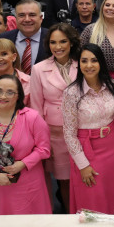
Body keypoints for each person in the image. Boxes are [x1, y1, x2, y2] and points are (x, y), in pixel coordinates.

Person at [60, 44, 114, 214]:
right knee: (92, 197)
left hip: (113, 146)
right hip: (87, 149)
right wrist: (82, 164)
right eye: (84, 61)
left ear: (101, 63)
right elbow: (68, 133)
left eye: (94, 60)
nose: (89, 65)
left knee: (113, 194)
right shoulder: (72, 92)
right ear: (79, 65)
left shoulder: (111, 84)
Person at [0, 74, 52, 216]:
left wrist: (23, 163)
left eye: (10, 92)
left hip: (29, 183)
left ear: (18, 96)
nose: (3, 96)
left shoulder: (32, 118)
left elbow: (44, 149)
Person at [30, 24, 79, 213]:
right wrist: (42, 141)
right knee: (65, 179)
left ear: (71, 42)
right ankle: (70, 216)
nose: (57, 46)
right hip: (56, 134)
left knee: (84, 175)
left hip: (82, 129)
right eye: (53, 42)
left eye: (63, 41)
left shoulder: (83, 63)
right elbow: (36, 107)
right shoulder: (39, 69)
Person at [0, 0, 49, 75]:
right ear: (15, 18)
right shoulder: (4, 38)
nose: (27, 19)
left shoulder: (52, 37)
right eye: (21, 15)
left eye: (32, 15)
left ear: (41, 18)